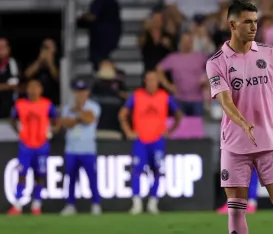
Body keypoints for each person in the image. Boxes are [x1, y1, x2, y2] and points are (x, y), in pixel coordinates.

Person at [205, 1, 273, 234]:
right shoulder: (217, 62)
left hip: (270, 142)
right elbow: (224, 101)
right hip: (235, 146)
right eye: (247, 21)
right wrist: (243, 122)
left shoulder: (269, 54)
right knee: (236, 209)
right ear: (232, 25)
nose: (254, 26)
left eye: (256, 21)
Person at [118, 71, 183, 215]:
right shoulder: (136, 96)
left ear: (158, 82)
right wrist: (128, 131)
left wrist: (170, 131)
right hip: (141, 140)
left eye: (153, 80)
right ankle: (137, 203)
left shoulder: (164, 97)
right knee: (136, 171)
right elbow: (122, 114)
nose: (151, 83)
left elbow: (178, 114)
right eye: (148, 80)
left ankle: (153, 202)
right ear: (145, 81)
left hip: (157, 140)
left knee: (157, 172)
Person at [7, 79, 60, 215]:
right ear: (27, 90)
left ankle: (36, 204)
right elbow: (12, 118)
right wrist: (19, 131)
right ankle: (18, 205)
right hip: (26, 145)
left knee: (40, 175)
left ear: (41, 90)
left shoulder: (47, 105)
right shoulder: (20, 105)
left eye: (36, 87)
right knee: (22, 174)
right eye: (30, 87)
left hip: (42, 145)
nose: (33, 90)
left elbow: (56, 120)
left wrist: (51, 132)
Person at [59, 80, 102, 216]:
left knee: (92, 178)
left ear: (87, 92)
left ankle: (96, 204)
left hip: (88, 149)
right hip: (71, 149)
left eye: (82, 91)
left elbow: (90, 119)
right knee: (71, 179)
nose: (80, 94)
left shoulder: (93, 106)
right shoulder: (67, 108)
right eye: (78, 91)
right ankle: (70, 205)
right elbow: (65, 123)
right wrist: (80, 117)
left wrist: (77, 113)